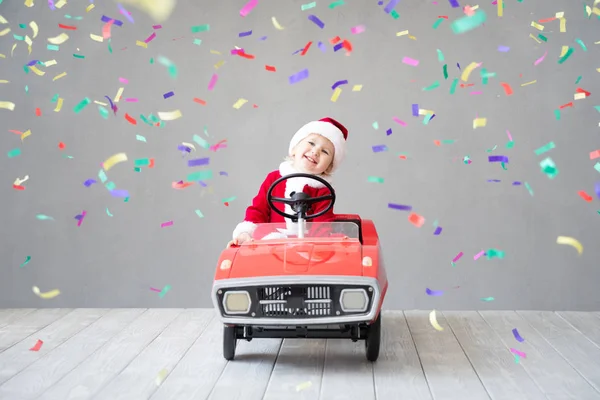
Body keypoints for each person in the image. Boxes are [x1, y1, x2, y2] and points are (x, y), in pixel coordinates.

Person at [227, 117, 349, 247]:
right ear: (295, 149)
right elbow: (258, 209)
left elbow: (322, 224)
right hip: (270, 241)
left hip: (306, 246)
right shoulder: (274, 179)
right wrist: (246, 233)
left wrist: (330, 242)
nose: (315, 151)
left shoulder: (323, 191)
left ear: (329, 166)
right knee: (260, 231)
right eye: (311, 143)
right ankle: (273, 243)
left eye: (325, 151)